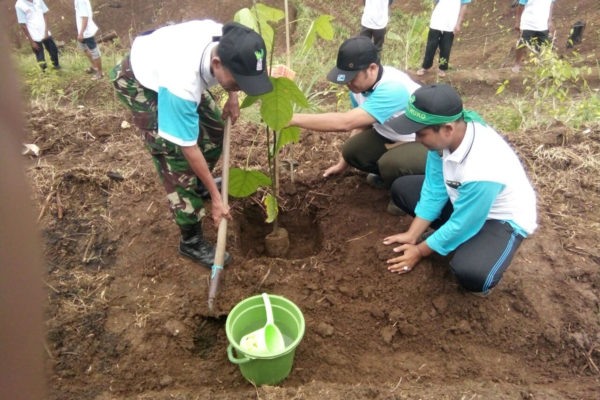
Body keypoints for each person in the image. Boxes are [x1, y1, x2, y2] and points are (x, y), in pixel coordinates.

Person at [110, 21, 272, 267]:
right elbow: (188, 148)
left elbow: (235, 70)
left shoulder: (228, 40)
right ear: (217, 65)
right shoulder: (182, 82)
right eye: (239, 82)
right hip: (138, 81)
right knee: (175, 158)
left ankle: (198, 185)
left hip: (165, 64)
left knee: (215, 127)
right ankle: (191, 240)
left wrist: (233, 94)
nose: (242, 87)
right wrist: (218, 199)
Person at [383, 83, 537, 295]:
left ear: (447, 129)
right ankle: (458, 242)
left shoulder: (483, 167)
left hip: (499, 219)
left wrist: (420, 250)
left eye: (421, 133)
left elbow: (464, 222)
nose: (416, 140)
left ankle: (483, 251)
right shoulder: (445, 141)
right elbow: (434, 187)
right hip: (464, 200)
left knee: (471, 273)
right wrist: (413, 234)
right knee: (403, 189)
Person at [289, 36, 427, 213]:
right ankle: (393, 176)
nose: (348, 83)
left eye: (352, 78)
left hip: (426, 144)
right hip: (391, 136)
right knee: (352, 151)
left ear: (372, 68)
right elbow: (360, 124)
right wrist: (343, 163)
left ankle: (412, 194)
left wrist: (292, 119)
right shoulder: (358, 88)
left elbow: (346, 122)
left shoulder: (393, 88)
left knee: (390, 163)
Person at [416, 0, 471, 77]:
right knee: (431, 45)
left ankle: (442, 68)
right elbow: (436, 2)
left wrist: (458, 23)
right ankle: (425, 66)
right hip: (437, 19)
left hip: (451, 22)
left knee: (446, 47)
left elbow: (464, 6)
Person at [15, 0, 60, 71]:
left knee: (53, 49)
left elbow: (45, 14)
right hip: (33, 34)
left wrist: (46, 31)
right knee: (40, 56)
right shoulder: (19, 4)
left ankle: (57, 67)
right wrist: (32, 41)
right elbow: (23, 24)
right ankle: (45, 73)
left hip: (44, 30)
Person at [512, 0, 555, 72]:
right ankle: (517, 64)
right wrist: (518, 22)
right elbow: (520, 6)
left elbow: (551, 5)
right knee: (522, 44)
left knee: (545, 45)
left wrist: (550, 21)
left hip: (543, 25)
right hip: (527, 24)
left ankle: (543, 64)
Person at [74, 0, 103, 80]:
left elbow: (85, 17)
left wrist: (81, 33)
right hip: (83, 30)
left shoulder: (81, 1)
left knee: (94, 50)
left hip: (86, 31)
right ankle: (95, 67)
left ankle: (100, 72)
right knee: (84, 48)